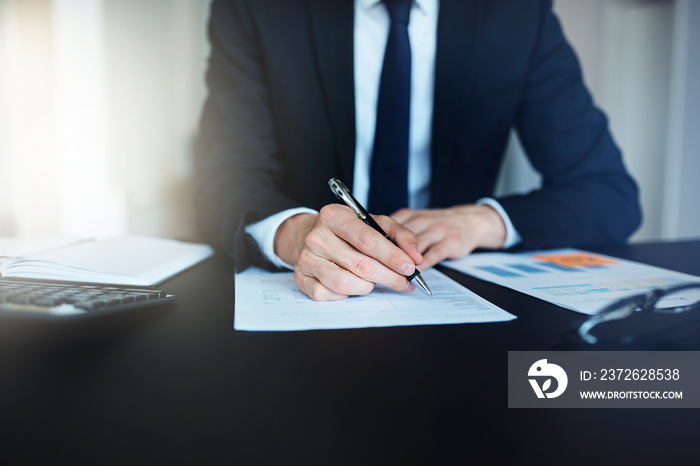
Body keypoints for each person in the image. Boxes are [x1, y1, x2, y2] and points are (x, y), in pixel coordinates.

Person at [195, 0, 642, 301]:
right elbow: (223, 179)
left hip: (452, 307)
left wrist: (481, 222)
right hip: (310, 305)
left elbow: (609, 194)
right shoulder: (255, 8)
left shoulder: (519, 13)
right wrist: (294, 234)